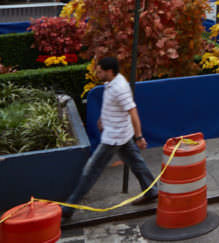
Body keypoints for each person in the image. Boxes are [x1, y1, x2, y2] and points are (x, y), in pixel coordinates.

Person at [61, 56, 157, 219]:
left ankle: (69, 207)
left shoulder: (119, 88)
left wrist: (139, 136)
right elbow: (113, 106)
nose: (97, 74)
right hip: (121, 134)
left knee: (91, 170)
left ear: (109, 72)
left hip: (114, 137)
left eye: (99, 71)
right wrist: (102, 119)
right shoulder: (113, 83)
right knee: (136, 163)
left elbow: (132, 111)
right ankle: (151, 191)